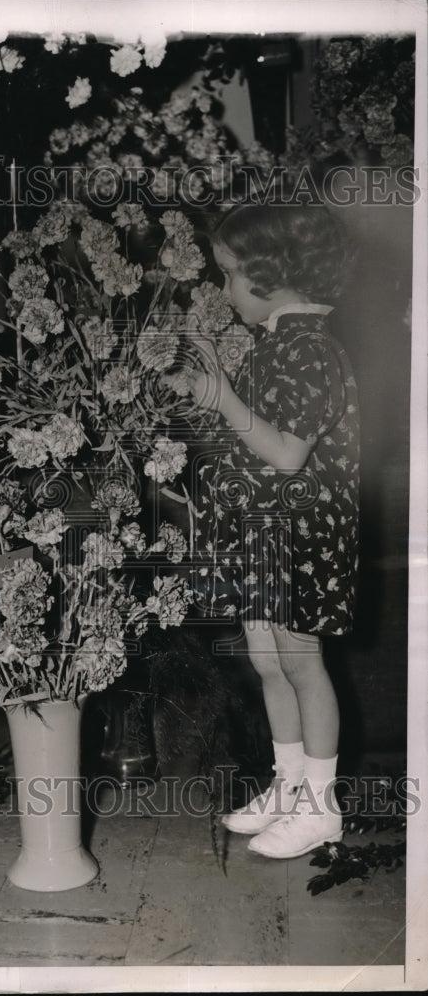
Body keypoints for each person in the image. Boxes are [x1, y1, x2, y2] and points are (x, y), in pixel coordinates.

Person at [186, 202, 359, 859]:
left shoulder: (309, 348)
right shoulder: (278, 345)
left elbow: (287, 453)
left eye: (230, 275)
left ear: (272, 278)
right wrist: (221, 380)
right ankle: (288, 787)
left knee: (301, 663)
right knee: (267, 660)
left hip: (300, 538)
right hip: (264, 532)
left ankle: (321, 804)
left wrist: (223, 396)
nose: (226, 290)